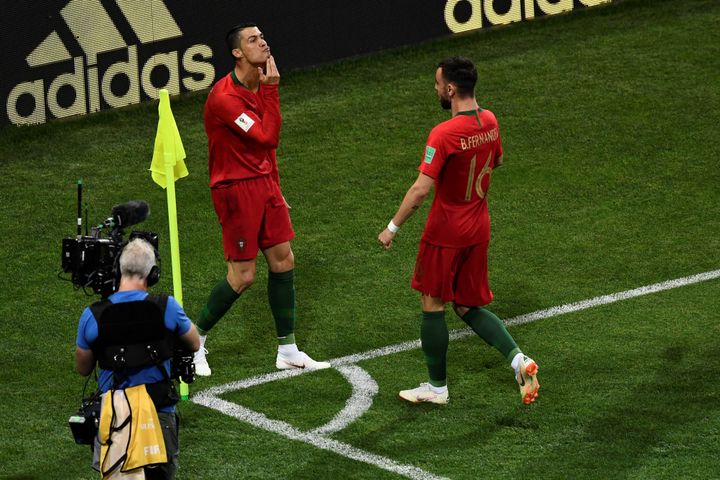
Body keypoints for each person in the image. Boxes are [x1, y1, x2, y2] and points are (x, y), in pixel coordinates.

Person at [377, 56, 539, 406]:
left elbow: (420, 191)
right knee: (467, 304)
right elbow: (496, 161)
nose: (435, 89)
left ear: (450, 89)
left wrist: (392, 227)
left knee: (432, 302)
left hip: (446, 232)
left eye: (437, 84)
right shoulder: (491, 121)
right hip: (478, 226)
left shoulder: (444, 133)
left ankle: (436, 389)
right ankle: (518, 360)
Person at [196, 22, 329, 376]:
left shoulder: (258, 85)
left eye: (263, 37)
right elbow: (267, 137)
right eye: (253, 40)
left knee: (284, 261)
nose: (263, 42)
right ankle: (193, 342)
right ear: (237, 53)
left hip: (264, 184)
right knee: (242, 276)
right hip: (236, 189)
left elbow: (267, 154)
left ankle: (287, 350)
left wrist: (277, 189)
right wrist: (273, 90)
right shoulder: (225, 98)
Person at [75, 238, 201, 478]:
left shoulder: (92, 315)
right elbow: (194, 343)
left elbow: (83, 367)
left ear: (118, 270)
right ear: (152, 274)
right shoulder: (167, 307)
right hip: (159, 411)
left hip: (115, 416)